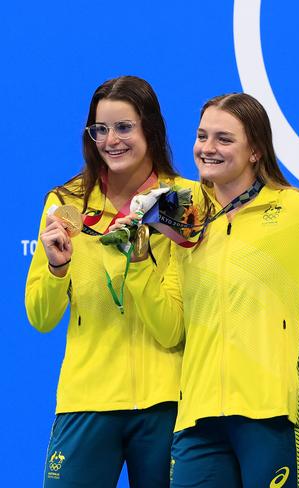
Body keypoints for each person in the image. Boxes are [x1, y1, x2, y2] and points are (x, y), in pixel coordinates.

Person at [120, 92, 299, 488]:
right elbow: (170, 329)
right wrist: (140, 261)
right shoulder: (185, 220)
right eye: (202, 136)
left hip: (274, 415)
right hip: (198, 419)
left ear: (255, 151)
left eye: (224, 139)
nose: (207, 148)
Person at [25, 75, 194, 487]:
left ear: (150, 130)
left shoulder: (184, 201)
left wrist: (137, 264)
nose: (110, 140)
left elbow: (174, 330)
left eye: (124, 127)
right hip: (87, 399)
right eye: (100, 129)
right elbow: (41, 318)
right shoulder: (64, 204)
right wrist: (56, 268)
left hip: (165, 401)